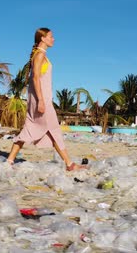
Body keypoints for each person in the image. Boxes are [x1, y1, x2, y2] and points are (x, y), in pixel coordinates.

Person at [6, 27, 86, 171]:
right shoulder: (39, 55)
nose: (53, 39)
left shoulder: (41, 55)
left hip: (41, 99)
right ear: (42, 38)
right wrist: (41, 101)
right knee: (53, 130)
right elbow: (36, 79)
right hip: (41, 100)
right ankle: (69, 164)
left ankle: (10, 160)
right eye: (51, 36)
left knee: (32, 128)